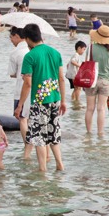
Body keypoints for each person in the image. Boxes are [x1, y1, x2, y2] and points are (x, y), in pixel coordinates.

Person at [15, 24, 66, 172]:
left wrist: (20, 105)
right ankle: (59, 165)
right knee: (54, 134)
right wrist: (63, 101)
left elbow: (28, 83)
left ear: (29, 39)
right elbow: (61, 78)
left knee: (39, 137)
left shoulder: (30, 56)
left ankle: (42, 170)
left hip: (39, 102)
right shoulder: (55, 53)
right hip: (55, 99)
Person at [84, 25, 109, 135]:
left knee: (90, 108)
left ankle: (88, 133)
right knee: (101, 109)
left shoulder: (91, 48)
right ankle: (100, 133)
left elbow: (86, 65)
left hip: (91, 81)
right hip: (105, 81)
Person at [8, 27, 32, 159]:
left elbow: (12, 74)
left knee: (23, 119)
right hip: (36, 89)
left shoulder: (15, 52)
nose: (11, 40)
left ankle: (27, 145)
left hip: (21, 90)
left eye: (11, 37)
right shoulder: (32, 49)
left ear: (16, 36)